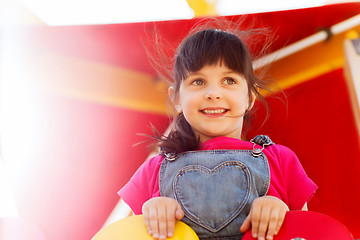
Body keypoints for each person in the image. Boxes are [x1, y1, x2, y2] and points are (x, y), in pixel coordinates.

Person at [119, 23, 317, 240]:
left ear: (250, 97)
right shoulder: (153, 171)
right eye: (198, 81)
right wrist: (150, 212)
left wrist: (282, 211)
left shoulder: (281, 161)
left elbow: (309, 232)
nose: (213, 93)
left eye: (229, 80)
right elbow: (124, 234)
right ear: (176, 98)